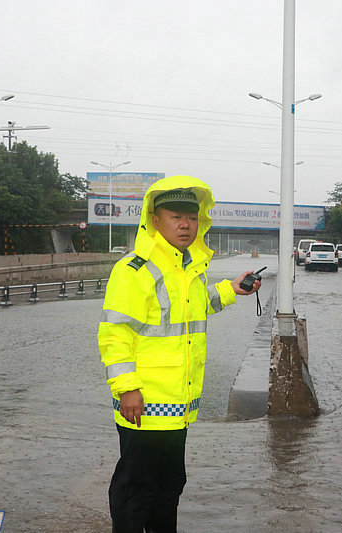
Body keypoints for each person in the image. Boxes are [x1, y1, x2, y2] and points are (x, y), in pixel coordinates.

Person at [97, 175, 261, 533]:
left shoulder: (188, 268)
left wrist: (232, 289)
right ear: (154, 220)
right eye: (175, 216)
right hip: (143, 401)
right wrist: (126, 388)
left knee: (170, 485)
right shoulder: (133, 270)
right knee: (135, 488)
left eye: (192, 217)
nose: (186, 225)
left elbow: (195, 307)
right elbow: (115, 334)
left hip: (177, 402)